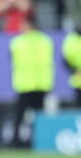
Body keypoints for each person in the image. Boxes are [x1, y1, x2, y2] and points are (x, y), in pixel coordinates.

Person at [8, 15, 54, 146]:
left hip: (25, 83)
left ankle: (16, 141)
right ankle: (39, 140)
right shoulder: (46, 41)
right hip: (41, 83)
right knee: (38, 116)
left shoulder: (17, 41)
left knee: (20, 115)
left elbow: (11, 58)